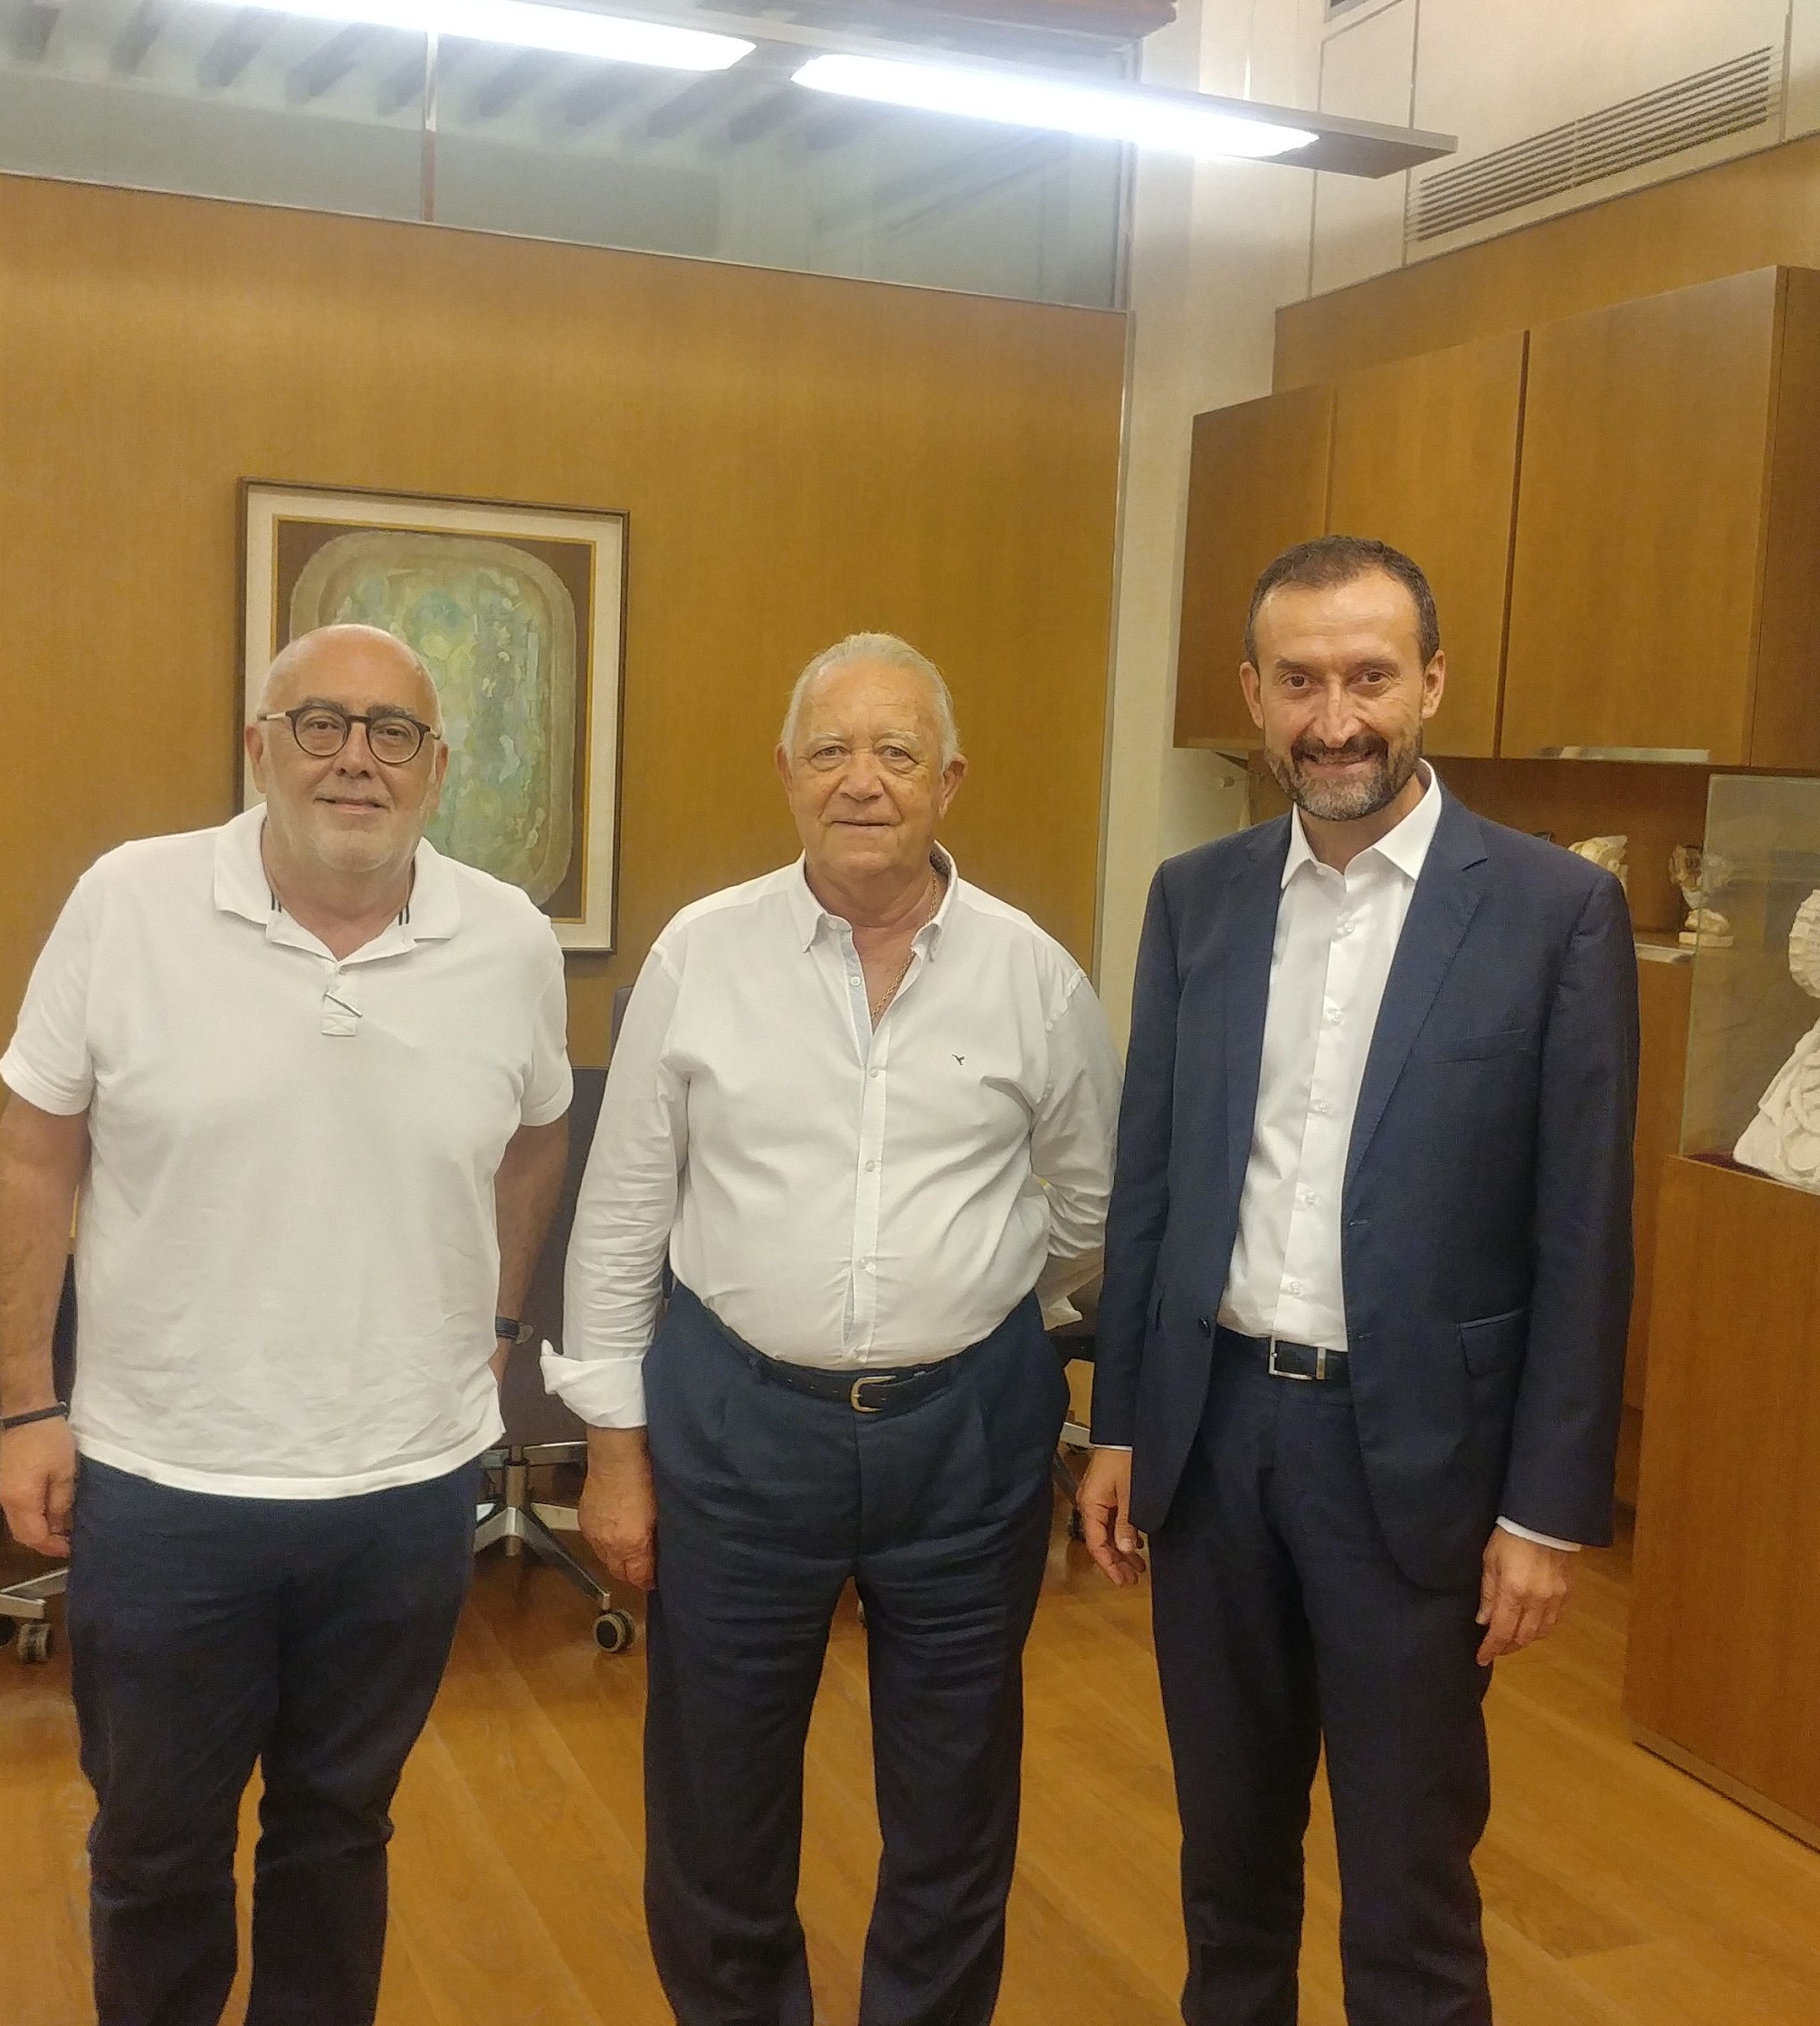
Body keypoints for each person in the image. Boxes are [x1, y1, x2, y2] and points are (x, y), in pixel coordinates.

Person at [1079, 537, 1638, 2023]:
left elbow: (1585, 1232)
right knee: (1227, 1864)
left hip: (1419, 1465)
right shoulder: (1195, 899)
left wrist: (1546, 1512)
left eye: (1370, 676)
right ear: (1253, 695)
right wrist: (1121, 1421)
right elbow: (1152, 1183)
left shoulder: (1551, 913)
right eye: (1302, 680)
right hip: (1215, 1445)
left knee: (1408, 1888)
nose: (1337, 719)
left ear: (1431, 684)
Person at [0, 623, 574, 2026]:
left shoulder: (505, 937)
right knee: (155, 1843)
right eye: (321, 723)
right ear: (261, 747)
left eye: (393, 732)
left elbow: (538, 1138)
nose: (355, 758)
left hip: (403, 1485)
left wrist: (497, 1324)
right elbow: (34, 1150)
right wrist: (26, 1401)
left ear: (438, 768)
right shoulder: (130, 901)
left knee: (339, 1829)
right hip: (167, 1480)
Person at [554, 633, 1120, 2026]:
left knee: (955, 1799)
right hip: (738, 1428)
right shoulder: (700, 955)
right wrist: (615, 1453)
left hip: (969, 1435)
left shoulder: (1035, 976)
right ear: (788, 773)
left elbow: (1094, 1209)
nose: (862, 780)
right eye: (831, 750)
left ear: (950, 780)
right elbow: (620, 1219)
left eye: (896, 751)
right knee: (718, 1800)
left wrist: (975, 1295)